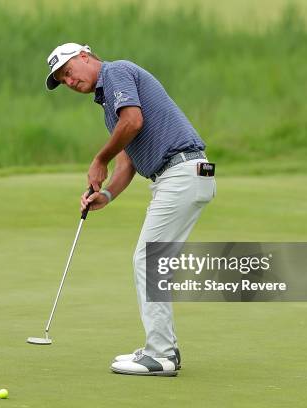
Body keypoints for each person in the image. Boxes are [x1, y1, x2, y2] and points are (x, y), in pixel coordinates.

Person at [45, 43, 216, 376]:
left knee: (148, 259)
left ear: (84, 56)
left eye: (68, 71)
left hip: (181, 172)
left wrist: (98, 159)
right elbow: (128, 161)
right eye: (62, 80)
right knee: (154, 259)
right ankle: (165, 349)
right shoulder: (110, 105)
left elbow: (133, 121)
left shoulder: (116, 71)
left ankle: (161, 354)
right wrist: (106, 195)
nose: (69, 81)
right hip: (185, 174)